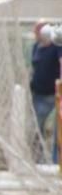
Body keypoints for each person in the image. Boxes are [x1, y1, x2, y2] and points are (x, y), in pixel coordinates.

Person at [29, 20, 62, 158]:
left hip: (53, 94)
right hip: (38, 94)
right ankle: (37, 158)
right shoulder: (36, 46)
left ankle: (56, 159)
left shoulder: (56, 47)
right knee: (37, 128)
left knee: (57, 129)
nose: (36, 33)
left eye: (39, 30)